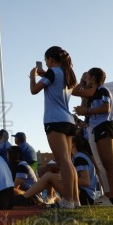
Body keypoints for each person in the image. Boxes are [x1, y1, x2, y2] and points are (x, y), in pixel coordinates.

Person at [29, 46, 79, 209]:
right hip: (68, 120)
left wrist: (32, 76)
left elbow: (34, 90)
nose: (46, 63)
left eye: (46, 60)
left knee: (63, 161)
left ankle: (68, 200)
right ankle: (75, 199)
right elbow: (55, 83)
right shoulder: (66, 74)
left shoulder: (52, 73)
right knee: (68, 162)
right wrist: (45, 75)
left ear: (50, 59)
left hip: (54, 120)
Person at [73, 67, 113, 205]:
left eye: (87, 77)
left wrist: (86, 110)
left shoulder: (102, 90)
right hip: (97, 129)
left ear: (93, 78)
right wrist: (83, 83)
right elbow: (75, 92)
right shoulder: (94, 92)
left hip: (105, 127)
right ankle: (109, 196)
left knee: (110, 163)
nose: (85, 79)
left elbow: (105, 108)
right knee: (104, 164)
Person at [15, 134, 98, 206]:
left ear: (73, 145)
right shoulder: (80, 156)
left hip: (85, 196)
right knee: (48, 170)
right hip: (84, 195)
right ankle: (44, 196)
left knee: (48, 176)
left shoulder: (80, 158)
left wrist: (65, 178)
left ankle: (25, 197)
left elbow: (86, 181)